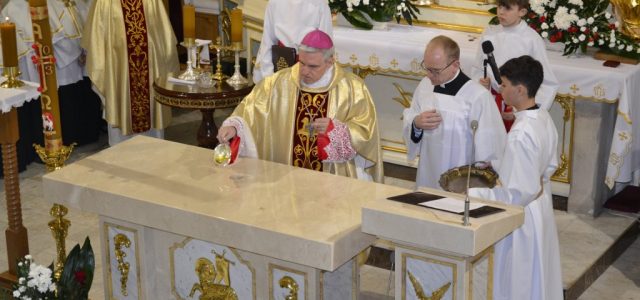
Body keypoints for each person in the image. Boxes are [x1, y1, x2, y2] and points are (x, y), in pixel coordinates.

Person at [218, 29, 383, 182]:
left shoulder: (353, 88)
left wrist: (339, 131)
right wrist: (234, 126)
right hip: (285, 180)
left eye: (313, 66)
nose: (304, 71)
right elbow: (250, 109)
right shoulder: (278, 83)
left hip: (331, 183)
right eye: (302, 63)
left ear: (330, 61)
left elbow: (366, 133)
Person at [469, 56, 563, 300]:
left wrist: (473, 194)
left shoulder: (522, 133)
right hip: (540, 206)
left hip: (523, 216)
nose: (501, 89)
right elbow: (548, 165)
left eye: (504, 85)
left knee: (518, 278)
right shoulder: (542, 117)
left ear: (520, 90)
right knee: (538, 273)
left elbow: (517, 193)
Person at [403, 35, 506, 189]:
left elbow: (490, 147)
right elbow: (411, 115)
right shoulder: (425, 85)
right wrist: (416, 123)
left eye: (435, 71)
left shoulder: (477, 96)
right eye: (427, 68)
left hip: (462, 181)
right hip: (428, 171)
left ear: (455, 65)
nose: (429, 75)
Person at [82, 0, 179, 146]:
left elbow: (164, 39)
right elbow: (97, 42)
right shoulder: (104, 2)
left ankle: (157, 156)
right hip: (120, 71)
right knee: (122, 148)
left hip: (150, 71)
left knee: (154, 145)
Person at [471, 0, 558, 131]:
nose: (501, 11)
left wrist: (521, 109)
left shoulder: (531, 39)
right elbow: (478, 68)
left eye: (507, 8)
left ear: (522, 12)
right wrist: (481, 83)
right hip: (490, 103)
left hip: (516, 106)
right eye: (499, 6)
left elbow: (546, 82)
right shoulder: (489, 33)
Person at [252, 0, 333, 83]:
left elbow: (325, 46)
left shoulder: (320, 5)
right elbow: (267, 42)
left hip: (308, 69)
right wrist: (269, 78)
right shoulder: (274, 3)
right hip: (280, 67)